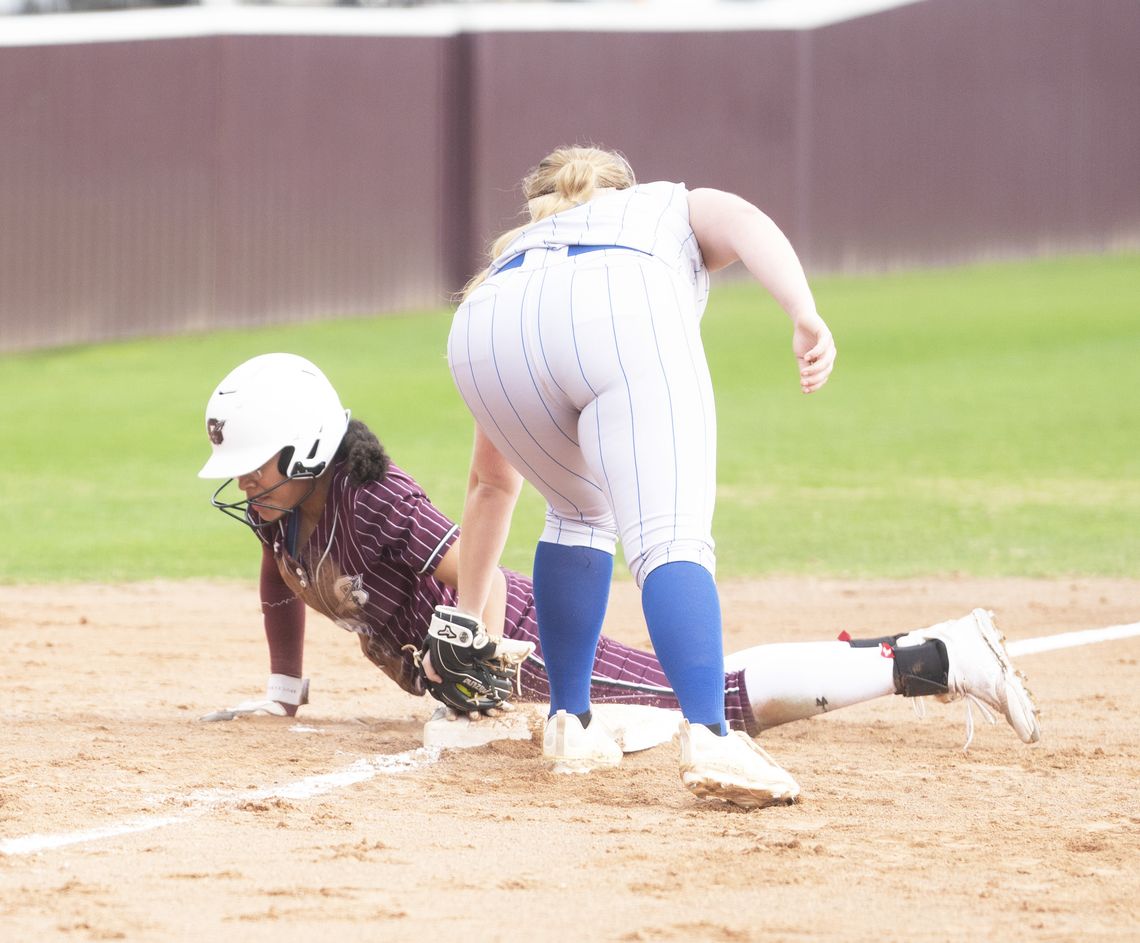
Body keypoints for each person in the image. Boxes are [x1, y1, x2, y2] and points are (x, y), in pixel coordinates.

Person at [443, 145, 1037, 809]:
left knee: (579, 512)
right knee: (669, 534)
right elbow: (747, 221)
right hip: (615, 307)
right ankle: (710, 732)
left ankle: (569, 722)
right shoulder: (658, 204)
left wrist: (469, 615)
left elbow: (490, 483)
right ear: (617, 188)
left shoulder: (516, 254)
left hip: (482, 327)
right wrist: (804, 311)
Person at [198, 353, 1040, 808]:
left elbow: (475, 575)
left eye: (253, 464)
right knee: (699, 695)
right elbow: (280, 569)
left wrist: (474, 668)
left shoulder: (373, 498)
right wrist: (283, 687)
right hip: (483, 674)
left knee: (715, 699)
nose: (244, 484)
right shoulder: (282, 509)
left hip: (523, 648)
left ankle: (940, 653)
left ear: (308, 447)